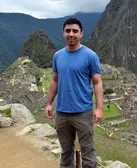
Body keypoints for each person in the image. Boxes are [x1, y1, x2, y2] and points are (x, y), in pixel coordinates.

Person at [45, 17, 103, 168]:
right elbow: (55, 81)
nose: (71, 34)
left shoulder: (90, 56)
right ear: (63, 33)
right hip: (62, 112)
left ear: (81, 34)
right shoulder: (58, 56)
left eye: (75, 31)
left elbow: (97, 82)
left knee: (88, 152)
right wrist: (49, 103)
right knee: (65, 152)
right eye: (68, 31)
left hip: (83, 112)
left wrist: (99, 108)